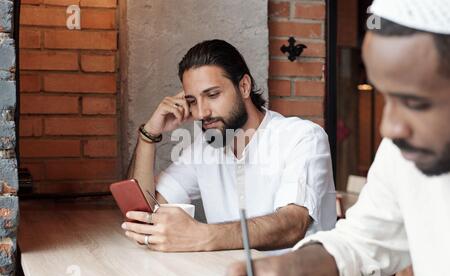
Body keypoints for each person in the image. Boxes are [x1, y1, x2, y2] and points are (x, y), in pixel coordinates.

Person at [221, 0, 450, 276]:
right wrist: (287, 268)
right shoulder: (402, 154)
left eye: (415, 103)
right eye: (386, 97)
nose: (389, 128)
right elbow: (362, 243)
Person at [122, 39, 336, 252]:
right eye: (193, 101)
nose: (202, 112)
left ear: (244, 86)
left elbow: (293, 225)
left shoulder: (302, 137)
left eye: (212, 95)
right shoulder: (203, 149)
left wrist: (202, 235)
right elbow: (143, 212)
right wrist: (149, 134)